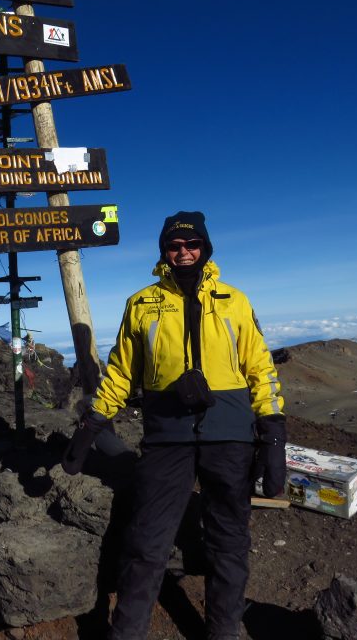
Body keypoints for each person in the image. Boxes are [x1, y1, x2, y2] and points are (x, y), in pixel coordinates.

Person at [62, 211, 286, 640]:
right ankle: (126, 633)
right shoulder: (142, 303)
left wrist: (272, 434)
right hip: (168, 436)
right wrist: (93, 421)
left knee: (229, 542)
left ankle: (223, 631)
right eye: (174, 246)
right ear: (164, 251)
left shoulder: (234, 301)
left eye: (192, 245)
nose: (184, 253)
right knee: (147, 542)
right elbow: (122, 372)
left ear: (205, 248)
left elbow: (261, 369)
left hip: (229, 434)